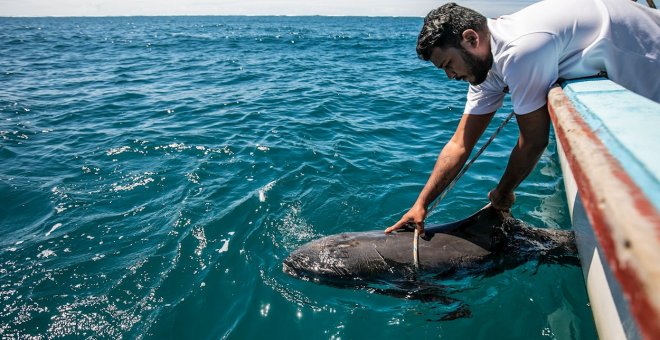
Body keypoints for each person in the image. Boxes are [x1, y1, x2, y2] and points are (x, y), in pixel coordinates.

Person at [385, 0, 660, 234]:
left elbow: (533, 141)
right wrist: (421, 204)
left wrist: (502, 194)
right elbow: (459, 145)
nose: (449, 76)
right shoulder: (485, 67)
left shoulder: (519, 51)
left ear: (471, 39)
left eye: (448, 64)